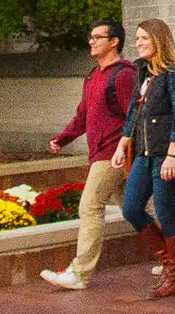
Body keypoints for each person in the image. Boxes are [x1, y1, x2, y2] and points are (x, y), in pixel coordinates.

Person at [36, 19, 138, 292]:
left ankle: (80, 273)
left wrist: (129, 151)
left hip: (112, 152)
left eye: (97, 37)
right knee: (134, 209)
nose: (91, 41)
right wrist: (63, 138)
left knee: (90, 206)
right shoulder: (93, 76)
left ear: (114, 41)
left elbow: (134, 116)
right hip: (99, 151)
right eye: (90, 37)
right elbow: (83, 115)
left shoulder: (124, 74)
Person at [120, 17, 175, 300]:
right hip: (144, 151)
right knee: (130, 208)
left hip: (169, 153)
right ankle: (170, 263)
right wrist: (123, 142)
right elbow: (134, 111)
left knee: (166, 212)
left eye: (145, 38)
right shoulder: (142, 72)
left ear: (159, 40)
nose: (139, 43)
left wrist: (172, 156)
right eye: (138, 38)